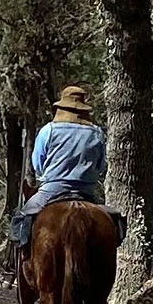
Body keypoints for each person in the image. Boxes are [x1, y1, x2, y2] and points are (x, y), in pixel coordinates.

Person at [9, 85, 108, 251]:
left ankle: (20, 260)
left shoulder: (49, 130)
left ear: (60, 108)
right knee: (112, 222)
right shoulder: (96, 133)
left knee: (21, 218)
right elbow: (100, 166)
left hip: (51, 190)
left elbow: (38, 164)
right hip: (87, 192)